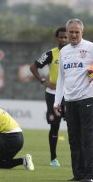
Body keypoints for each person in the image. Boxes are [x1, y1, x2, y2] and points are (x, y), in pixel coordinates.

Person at [54, 18, 93, 182]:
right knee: (74, 140)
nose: (74, 35)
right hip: (70, 101)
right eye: (71, 32)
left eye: (77, 32)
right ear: (67, 33)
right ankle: (79, 175)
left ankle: (92, 177)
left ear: (82, 32)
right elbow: (61, 78)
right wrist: (57, 101)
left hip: (88, 98)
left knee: (88, 139)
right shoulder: (64, 51)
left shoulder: (91, 48)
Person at [29, 27, 69, 167]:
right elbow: (33, 67)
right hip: (53, 95)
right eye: (61, 37)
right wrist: (43, 81)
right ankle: (53, 158)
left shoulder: (76, 54)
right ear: (57, 38)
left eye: (66, 37)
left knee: (74, 127)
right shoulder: (50, 54)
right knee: (54, 126)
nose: (64, 40)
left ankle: (78, 157)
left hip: (71, 95)